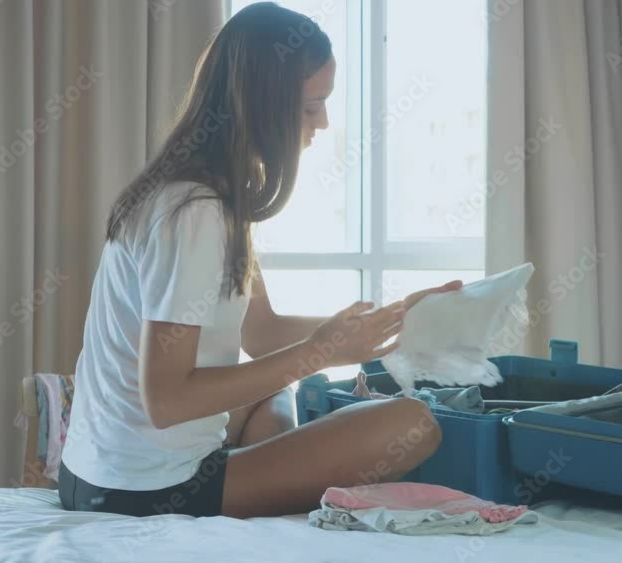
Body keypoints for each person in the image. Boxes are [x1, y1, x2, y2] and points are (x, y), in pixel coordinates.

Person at [59, 2, 459, 519]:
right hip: (141, 489)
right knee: (413, 423)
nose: (324, 122)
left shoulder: (206, 196)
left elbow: (263, 332)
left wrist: (399, 321)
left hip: (94, 473)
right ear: (263, 106)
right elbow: (166, 401)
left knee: (276, 396)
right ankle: (254, 488)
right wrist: (321, 353)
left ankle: (259, 483)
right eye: (312, 106)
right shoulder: (195, 213)